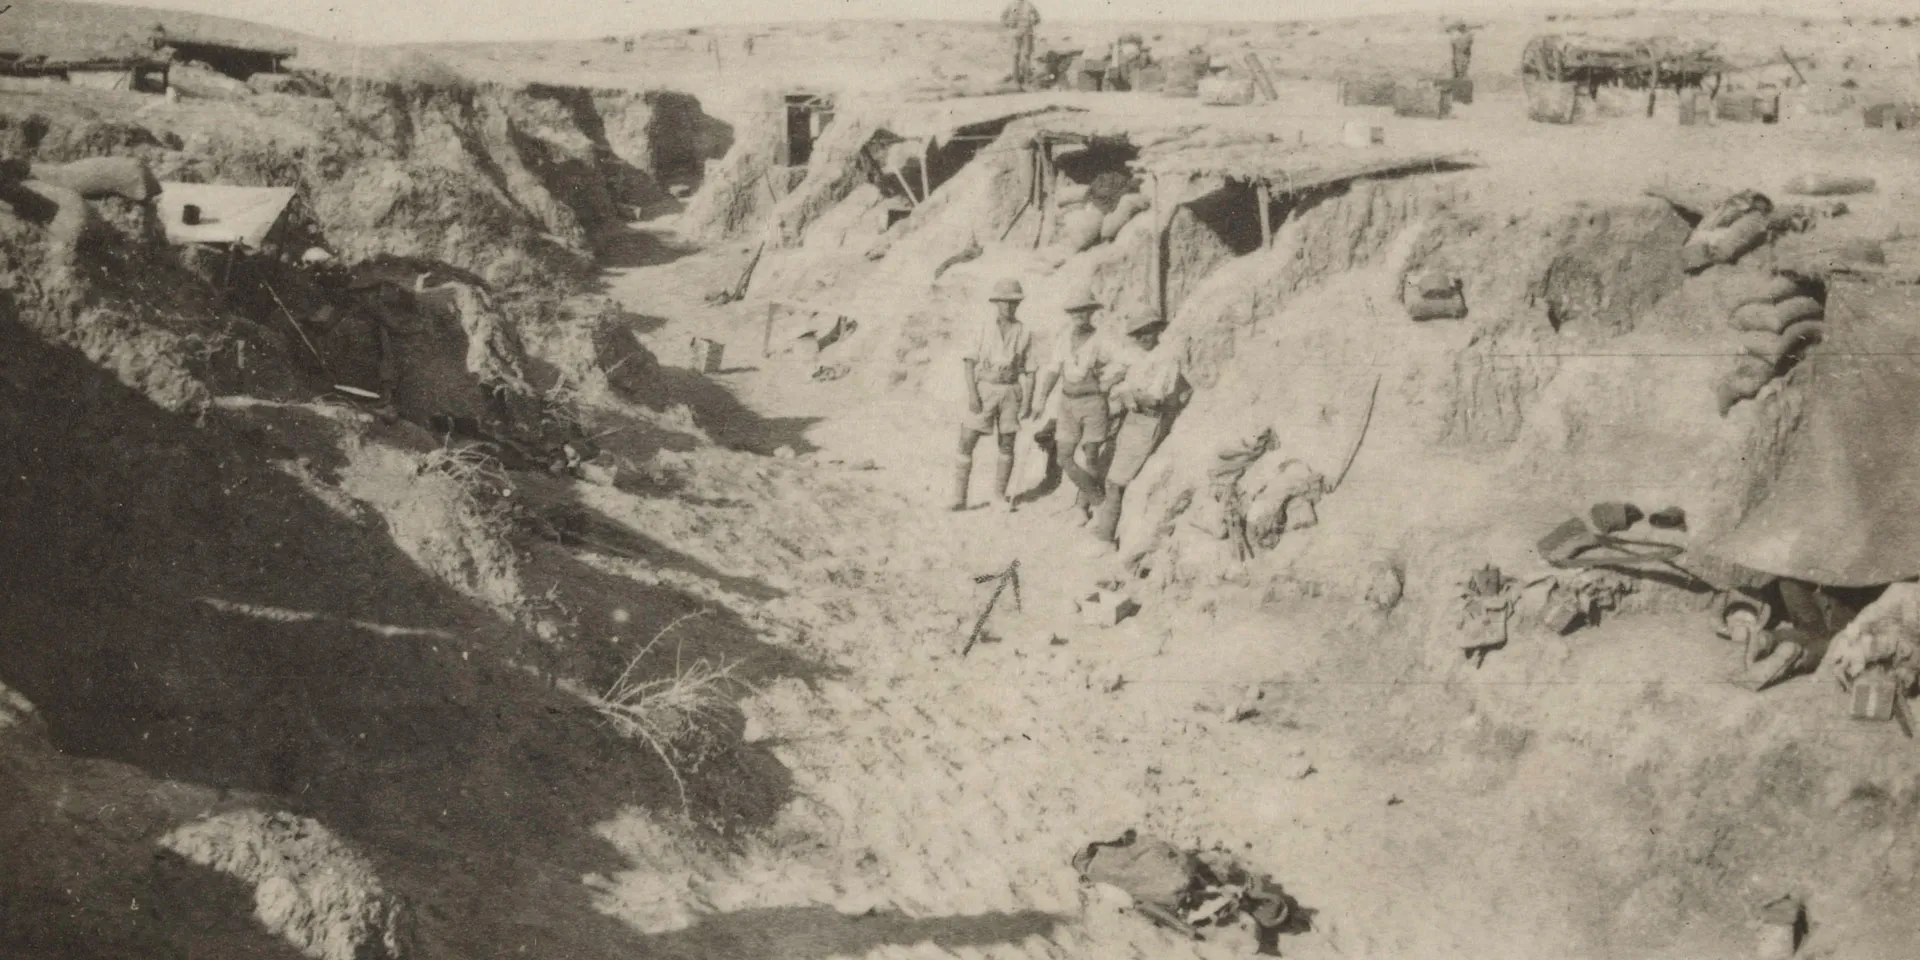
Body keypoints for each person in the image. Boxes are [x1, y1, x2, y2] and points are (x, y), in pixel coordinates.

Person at [1091, 316, 1191, 547]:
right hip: (1133, 419)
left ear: (1157, 331)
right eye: (1137, 334)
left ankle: (1105, 540)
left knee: (1116, 481)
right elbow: (1119, 384)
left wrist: (1127, 393)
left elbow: (1154, 399)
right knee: (1110, 474)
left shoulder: (1166, 359)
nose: (1142, 338)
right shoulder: (1139, 357)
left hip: (1148, 421)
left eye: (1147, 332)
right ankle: (1104, 527)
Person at [1030, 284, 1126, 525]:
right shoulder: (1064, 337)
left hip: (1093, 404)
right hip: (1067, 404)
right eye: (1074, 311)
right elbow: (1053, 370)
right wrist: (1041, 400)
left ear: (1092, 312)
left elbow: (1124, 363)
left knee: (1091, 456)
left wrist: (1108, 382)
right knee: (1064, 457)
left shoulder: (1102, 339)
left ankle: (1082, 508)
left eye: (1083, 311)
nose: (1079, 315)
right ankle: (1098, 501)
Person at [953, 278, 1037, 512]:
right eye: (1004, 302)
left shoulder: (1024, 331)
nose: (1008, 306)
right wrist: (973, 394)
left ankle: (999, 495)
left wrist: (1028, 402)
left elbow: (1030, 370)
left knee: (1007, 442)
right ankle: (958, 497)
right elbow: (969, 363)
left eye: (1013, 302)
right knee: (967, 438)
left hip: (1010, 390)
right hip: (985, 387)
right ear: (996, 302)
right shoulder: (983, 327)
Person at [1001, 0, 1042, 90]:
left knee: (1027, 56)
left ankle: (1027, 82)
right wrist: (1009, 24)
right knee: (1016, 55)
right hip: (1016, 33)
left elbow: (1038, 18)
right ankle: (1016, 81)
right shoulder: (1011, 5)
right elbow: (1003, 17)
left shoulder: (1029, 5)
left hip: (1028, 33)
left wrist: (1031, 23)